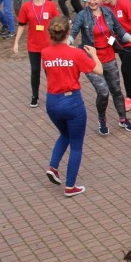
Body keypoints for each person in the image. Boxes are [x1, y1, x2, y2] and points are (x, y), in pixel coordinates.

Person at [41, 15, 103, 196]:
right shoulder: (76, 53)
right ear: (68, 33)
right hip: (72, 101)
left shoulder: (45, 53)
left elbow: (48, 73)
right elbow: (98, 70)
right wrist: (94, 55)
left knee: (64, 134)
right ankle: (70, 185)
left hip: (52, 101)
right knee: (76, 144)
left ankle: (53, 166)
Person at [69, 0, 131, 135]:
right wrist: (65, 45)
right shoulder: (82, 15)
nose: (92, 2)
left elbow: (120, 30)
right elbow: (73, 33)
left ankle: (123, 118)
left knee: (116, 90)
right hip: (92, 60)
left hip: (109, 57)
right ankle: (102, 119)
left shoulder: (107, 12)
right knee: (103, 92)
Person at [14, 0, 62, 107]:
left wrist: (62, 40)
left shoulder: (50, 5)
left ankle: (54, 94)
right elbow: (22, 25)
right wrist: (16, 42)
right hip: (33, 44)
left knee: (50, 70)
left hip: (49, 44)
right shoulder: (26, 6)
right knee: (35, 70)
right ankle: (35, 96)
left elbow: (58, 23)